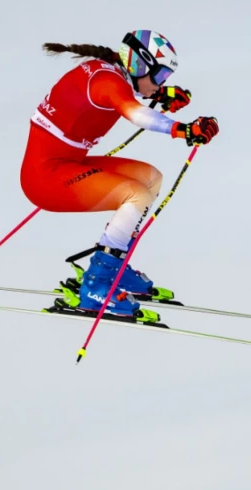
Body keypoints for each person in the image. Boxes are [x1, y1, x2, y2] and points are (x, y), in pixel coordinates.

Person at [19, 30, 220, 318]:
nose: (161, 83)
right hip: (45, 179)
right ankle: (95, 284)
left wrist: (159, 94)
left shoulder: (111, 72)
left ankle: (114, 268)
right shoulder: (106, 80)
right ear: (139, 64)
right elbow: (135, 113)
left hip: (66, 165)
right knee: (136, 195)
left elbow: (128, 92)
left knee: (150, 178)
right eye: (160, 76)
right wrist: (183, 129)